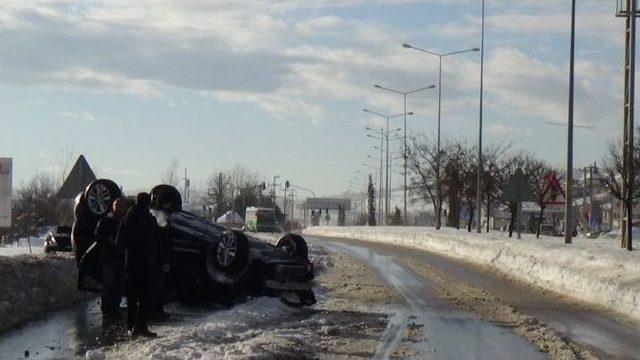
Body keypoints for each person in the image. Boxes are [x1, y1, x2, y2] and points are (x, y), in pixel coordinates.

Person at [117, 192, 159, 338]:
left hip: (131, 262)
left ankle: (131, 326)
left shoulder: (127, 218)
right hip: (145, 263)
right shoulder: (149, 219)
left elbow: (119, 242)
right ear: (147, 203)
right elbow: (155, 241)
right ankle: (141, 326)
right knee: (145, 296)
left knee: (132, 297)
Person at [95, 197, 130, 320]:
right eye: (116, 206)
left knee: (120, 285)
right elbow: (98, 237)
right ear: (113, 207)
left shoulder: (126, 222)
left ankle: (115, 309)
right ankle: (107, 310)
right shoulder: (105, 221)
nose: (119, 209)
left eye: (121, 206)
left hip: (121, 257)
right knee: (108, 284)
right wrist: (108, 240)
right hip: (109, 258)